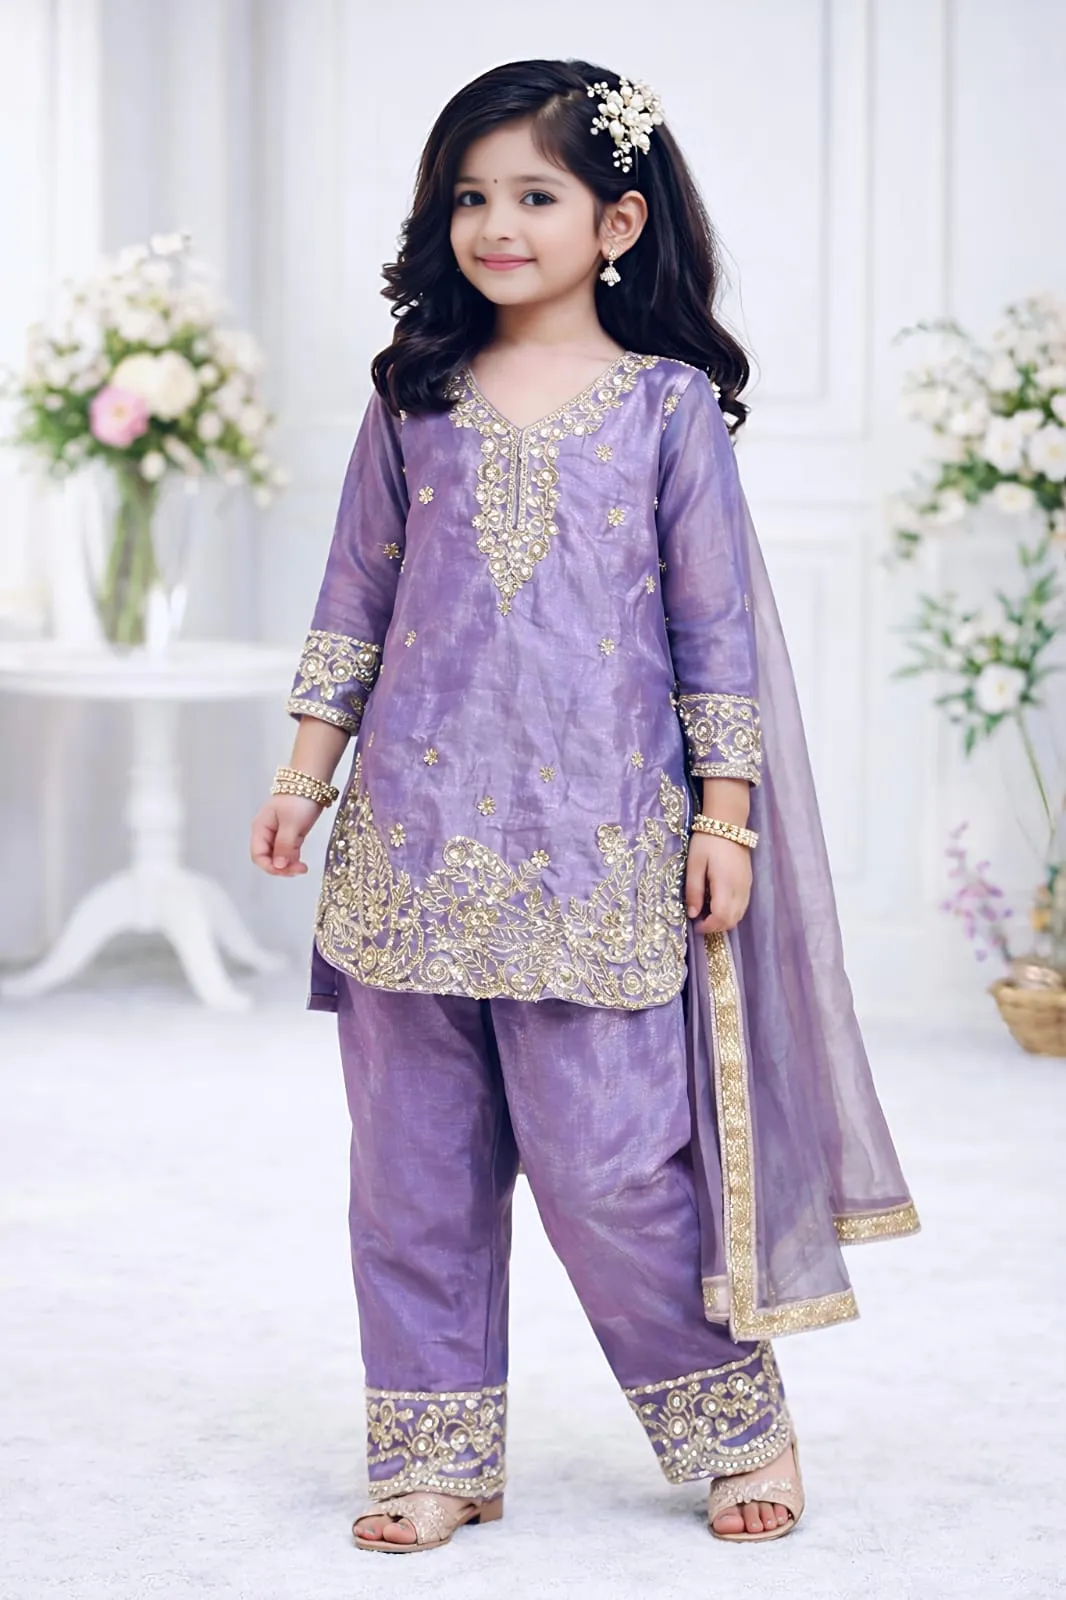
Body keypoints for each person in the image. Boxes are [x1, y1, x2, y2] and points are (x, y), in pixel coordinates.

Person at [249, 58, 920, 1555]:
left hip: (597, 858)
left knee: (613, 1172)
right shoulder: (411, 394)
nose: (496, 224)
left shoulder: (667, 409)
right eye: (469, 196)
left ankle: (734, 1422)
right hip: (408, 847)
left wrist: (723, 820)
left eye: (534, 195)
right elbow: (354, 598)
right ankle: (436, 1452)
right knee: (409, 1177)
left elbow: (712, 634)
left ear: (617, 222)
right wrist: (303, 776)